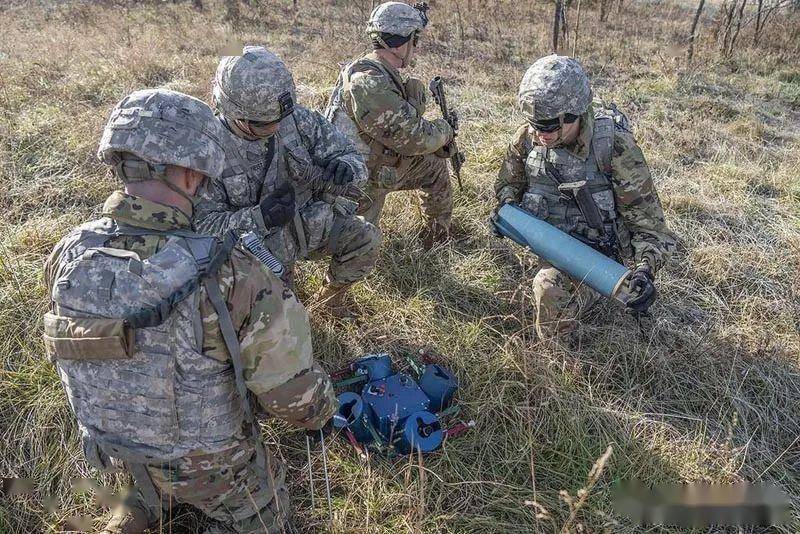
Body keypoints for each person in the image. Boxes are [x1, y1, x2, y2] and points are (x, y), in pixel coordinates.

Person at [43, 89, 337, 533]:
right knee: (268, 516)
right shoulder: (231, 269)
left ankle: (142, 504)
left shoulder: (69, 251)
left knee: (144, 496)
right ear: (188, 172)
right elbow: (292, 399)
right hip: (212, 467)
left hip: (118, 450)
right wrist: (324, 410)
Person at [492, 55, 677, 340]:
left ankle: (557, 358)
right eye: (535, 124)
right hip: (542, 243)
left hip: (593, 258)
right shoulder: (528, 137)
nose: (541, 134)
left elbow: (649, 226)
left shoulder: (613, 147)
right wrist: (506, 214)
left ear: (574, 114)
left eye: (550, 126)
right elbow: (507, 185)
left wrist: (644, 270)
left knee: (549, 287)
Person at [194, 46, 380, 316]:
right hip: (255, 249)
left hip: (309, 225)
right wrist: (259, 218)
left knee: (365, 238)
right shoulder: (207, 151)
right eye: (264, 123)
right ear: (233, 111)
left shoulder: (297, 119)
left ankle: (329, 302)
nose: (276, 127)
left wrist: (346, 167)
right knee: (280, 319)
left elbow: (351, 156)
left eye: (280, 118)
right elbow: (203, 229)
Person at [325, 1, 456, 246]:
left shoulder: (380, 72)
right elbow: (414, 138)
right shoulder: (369, 82)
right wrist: (444, 131)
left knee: (434, 166)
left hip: (376, 165)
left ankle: (437, 239)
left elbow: (400, 130)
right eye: (415, 39)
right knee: (359, 246)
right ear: (403, 42)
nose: (415, 47)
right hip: (357, 181)